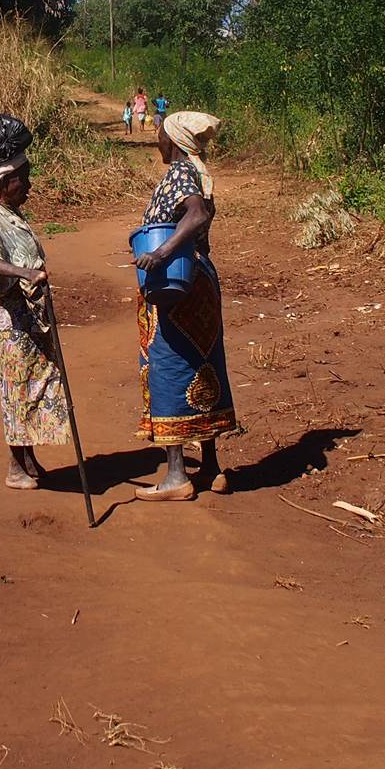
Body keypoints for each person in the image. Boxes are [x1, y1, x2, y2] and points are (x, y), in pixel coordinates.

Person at [130, 111, 237, 500]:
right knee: (202, 364)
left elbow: (195, 217)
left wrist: (161, 253)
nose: (156, 139)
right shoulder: (198, 174)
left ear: (172, 141)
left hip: (176, 282)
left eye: (160, 134)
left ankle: (176, 475)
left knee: (167, 364)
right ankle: (211, 467)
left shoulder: (179, 174)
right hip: (201, 278)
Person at [0, 151, 74, 490]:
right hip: (9, 316)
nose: (27, 185)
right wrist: (27, 273)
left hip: (28, 313)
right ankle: (15, 466)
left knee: (35, 381)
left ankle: (28, 458)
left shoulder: (9, 212)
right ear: (3, 183)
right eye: (21, 179)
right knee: (16, 386)